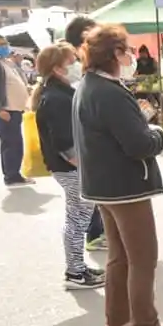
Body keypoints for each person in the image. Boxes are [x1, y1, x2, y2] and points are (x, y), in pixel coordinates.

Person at [73, 24, 163, 326]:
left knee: (119, 257)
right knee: (142, 257)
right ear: (115, 54)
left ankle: (117, 322)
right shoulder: (109, 91)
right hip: (124, 187)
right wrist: (158, 133)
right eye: (127, 50)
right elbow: (138, 145)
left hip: (102, 187)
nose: (131, 56)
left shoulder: (88, 85)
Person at [31, 43, 104, 289]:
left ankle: (78, 268)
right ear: (58, 68)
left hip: (70, 167)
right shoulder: (56, 98)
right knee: (77, 220)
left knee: (77, 219)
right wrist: (85, 167)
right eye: (72, 61)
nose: (77, 65)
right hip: (71, 168)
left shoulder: (57, 93)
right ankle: (75, 273)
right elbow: (64, 142)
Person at [63, 17, 107, 251]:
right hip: (77, 152)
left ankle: (79, 264)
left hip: (82, 149)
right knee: (79, 211)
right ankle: (76, 268)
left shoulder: (79, 72)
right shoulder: (73, 71)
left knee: (84, 207)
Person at [0, 35, 34, 188]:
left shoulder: (5, 62)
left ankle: (14, 173)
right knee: (11, 143)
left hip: (15, 109)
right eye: (1, 45)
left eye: (6, 44)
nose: (6, 47)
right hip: (6, 111)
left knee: (15, 142)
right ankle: (12, 176)